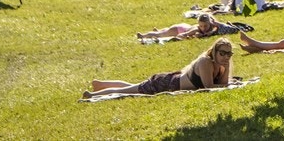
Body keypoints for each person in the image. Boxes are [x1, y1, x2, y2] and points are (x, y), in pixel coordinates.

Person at [83, 38, 234, 98]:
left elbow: (223, 83)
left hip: (171, 81)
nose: (226, 56)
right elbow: (209, 87)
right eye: (222, 53)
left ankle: (100, 84)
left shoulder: (220, 64)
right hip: (166, 84)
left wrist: (226, 67)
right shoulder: (205, 62)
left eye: (229, 53)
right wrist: (229, 83)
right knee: (127, 91)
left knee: (135, 87)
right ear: (214, 51)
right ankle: (91, 95)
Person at [138, 12, 239, 41]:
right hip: (180, 29)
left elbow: (233, 30)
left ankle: (161, 30)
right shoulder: (196, 29)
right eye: (201, 26)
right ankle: (143, 36)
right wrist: (178, 38)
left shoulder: (214, 27)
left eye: (205, 26)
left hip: (185, 26)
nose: (203, 28)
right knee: (160, 35)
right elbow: (184, 34)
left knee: (164, 32)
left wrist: (217, 23)